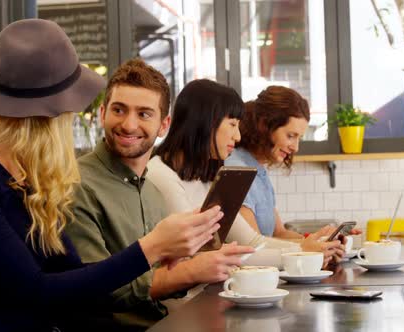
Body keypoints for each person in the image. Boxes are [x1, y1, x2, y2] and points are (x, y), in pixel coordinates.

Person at [0, 19, 221, 332]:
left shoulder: (24, 175)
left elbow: (76, 277)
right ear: (47, 117)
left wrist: (164, 255)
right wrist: (152, 247)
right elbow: (35, 291)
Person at [65, 61, 254, 328]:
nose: (129, 125)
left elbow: (160, 277)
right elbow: (94, 289)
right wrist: (191, 271)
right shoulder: (76, 184)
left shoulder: (151, 191)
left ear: (164, 125)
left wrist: (208, 264)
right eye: (119, 110)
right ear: (102, 113)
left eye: (144, 114)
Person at [147, 79, 343, 268]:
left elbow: (251, 241)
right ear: (206, 122)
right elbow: (202, 254)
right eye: (232, 124)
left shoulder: (204, 177)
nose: (237, 136)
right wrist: (301, 251)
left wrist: (305, 248)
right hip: (186, 300)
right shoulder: (162, 176)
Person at [225, 86, 340, 242]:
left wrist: (317, 241)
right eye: (290, 136)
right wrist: (309, 248)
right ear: (264, 125)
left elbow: (279, 233)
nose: (295, 147)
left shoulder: (259, 171)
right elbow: (252, 245)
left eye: (299, 138)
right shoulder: (237, 170)